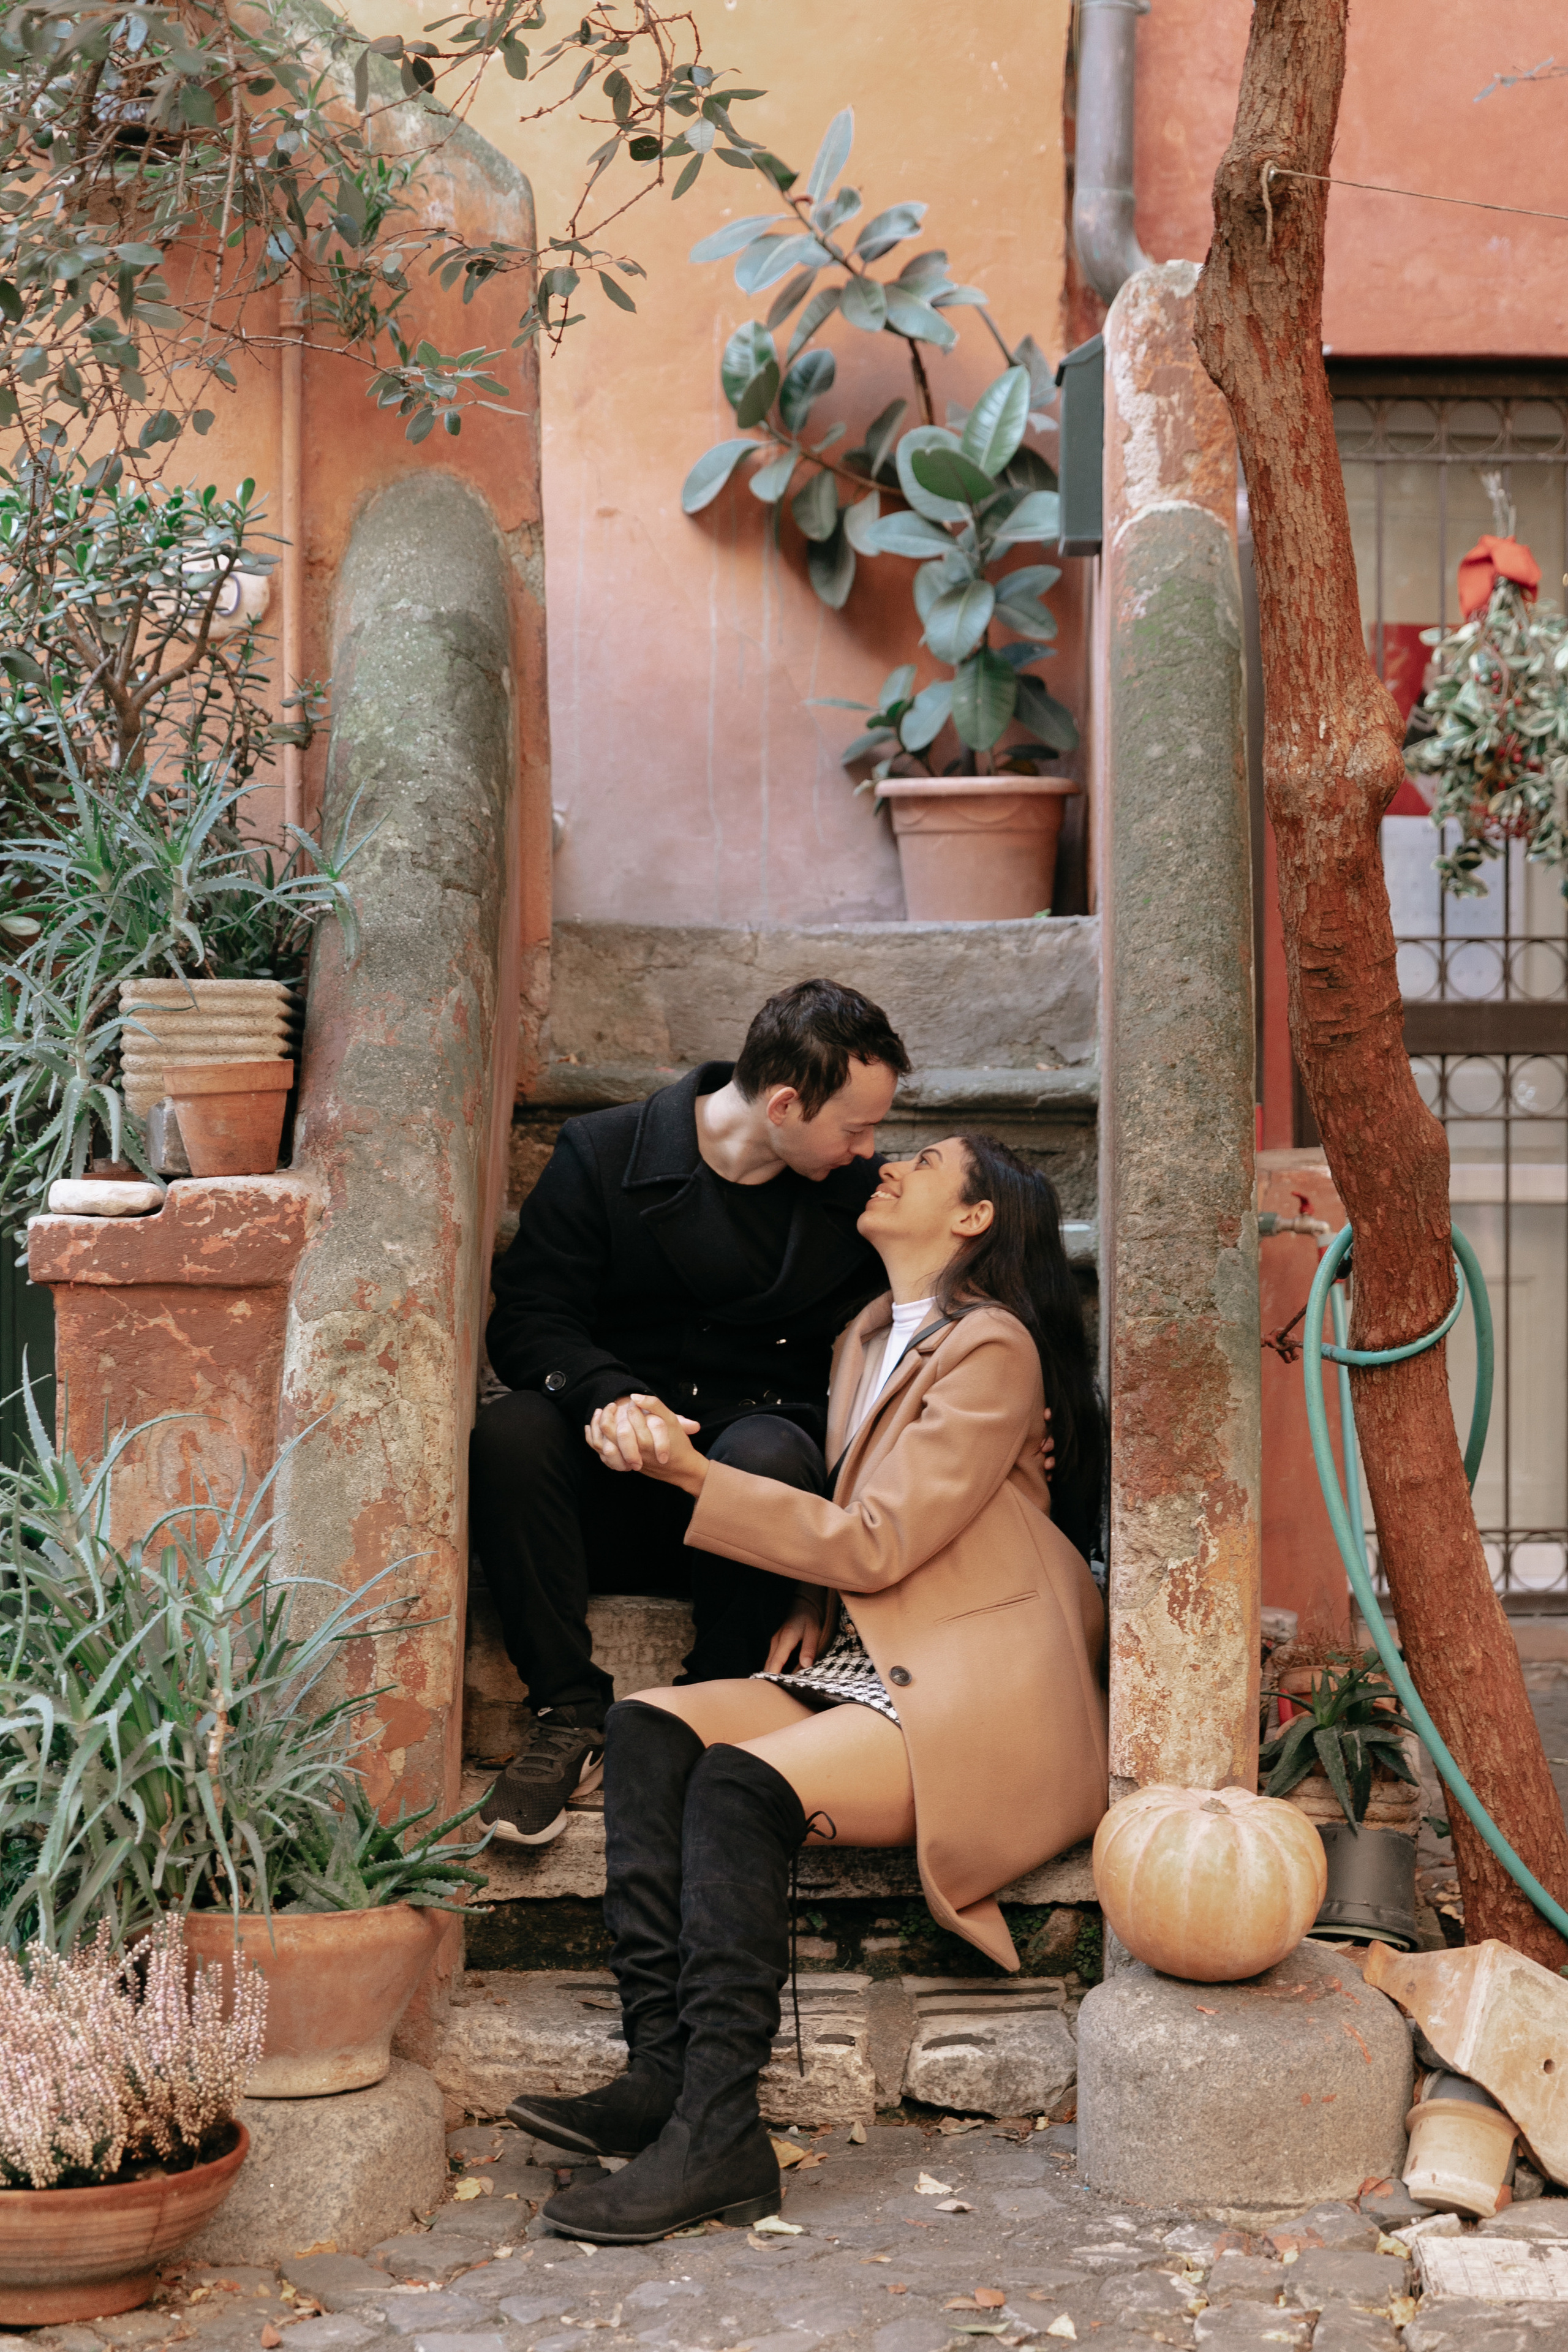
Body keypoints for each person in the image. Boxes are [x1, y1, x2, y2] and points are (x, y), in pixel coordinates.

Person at [506, 1132, 1109, 2246]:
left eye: (926, 1162)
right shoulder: (868, 1336)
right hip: (867, 1651)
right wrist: (813, 1598)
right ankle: (659, 2075)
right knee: (645, 1727)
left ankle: (721, 2135)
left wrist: (695, 1474)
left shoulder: (995, 1347)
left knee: (736, 1787)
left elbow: (882, 1539)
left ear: (974, 1219)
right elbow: (870, 1539)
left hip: (971, 1685)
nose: (892, 1165)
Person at [471, 979, 911, 1846]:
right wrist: (607, 1398)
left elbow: (948, 1315)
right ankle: (568, 1713)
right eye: (855, 1127)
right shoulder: (604, 1151)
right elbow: (528, 1317)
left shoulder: (857, 1197)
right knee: (511, 1430)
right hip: (611, 1484)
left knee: (769, 1449)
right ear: (784, 1103)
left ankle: (704, 1713)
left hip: (748, 1503)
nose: (872, 1150)